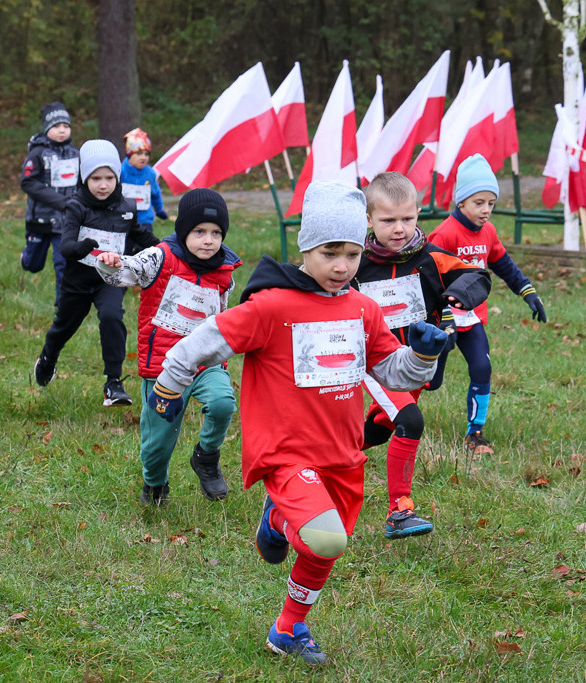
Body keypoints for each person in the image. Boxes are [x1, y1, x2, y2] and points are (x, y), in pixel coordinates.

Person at [150, 181, 447, 664]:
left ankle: (289, 627)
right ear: (306, 248)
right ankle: (280, 514)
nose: (342, 266)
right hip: (285, 453)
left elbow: (392, 372)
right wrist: (169, 384)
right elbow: (204, 341)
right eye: (330, 252)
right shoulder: (273, 307)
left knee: (326, 547)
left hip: (343, 453)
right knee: (325, 536)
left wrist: (423, 354)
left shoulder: (363, 310)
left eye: (352, 254)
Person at [353, 172, 491, 538]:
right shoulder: (356, 263)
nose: (399, 229)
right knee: (410, 422)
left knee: (380, 430)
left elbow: (477, 276)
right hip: (374, 364)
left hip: (416, 364)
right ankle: (400, 510)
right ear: (369, 219)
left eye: (407, 219)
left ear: (417, 215)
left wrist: (459, 294)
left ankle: (316, 456)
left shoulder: (431, 259)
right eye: (387, 220)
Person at [94, 188, 241, 505]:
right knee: (158, 440)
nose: (208, 240)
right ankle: (155, 484)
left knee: (222, 403)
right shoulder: (160, 256)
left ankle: (206, 455)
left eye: (216, 233)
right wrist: (110, 263)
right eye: (199, 232)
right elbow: (127, 271)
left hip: (205, 363)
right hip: (163, 367)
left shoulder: (224, 272)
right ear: (183, 231)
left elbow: (223, 314)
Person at [428, 154, 547, 455]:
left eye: (491, 203)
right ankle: (397, 414)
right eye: (479, 202)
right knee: (432, 382)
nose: (486, 210)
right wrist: (442, 318)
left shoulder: (489, 232)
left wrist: (527, 292)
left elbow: (504, 265)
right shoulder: (445, 233)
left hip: (473, 318)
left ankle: (475, 433)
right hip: (443, 319)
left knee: (482, 368)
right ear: (461, 202)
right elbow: (428, 278)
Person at [33, 139, 159, 406]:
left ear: (118, 177)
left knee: (112, 317)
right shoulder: (76, 206)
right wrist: (84, 247)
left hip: (110, 279)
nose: (103, 185)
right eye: (96, 178)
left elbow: (140, 235)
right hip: (78, 282)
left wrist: (167, 249)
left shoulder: (126, 209)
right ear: (84, 178)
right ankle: (48, 357)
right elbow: (66, 247)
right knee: (63, 327)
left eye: (109, 178)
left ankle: (113, 383)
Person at [20, 102, 79, 306]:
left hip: (66, 221)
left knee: (63, 263)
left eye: (66, 125)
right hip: (40, 219)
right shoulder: (37, 153)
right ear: (47, 130)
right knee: (33, 265)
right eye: (56, 126)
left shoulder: (75, 154)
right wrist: (60, 201)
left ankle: (62, 306)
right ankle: (26, 257)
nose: (62, 130)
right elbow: (27, 182)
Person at [120, 128, 169, 233]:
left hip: (145, 218)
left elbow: (155, 192)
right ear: (129, 155)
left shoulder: (150, 173)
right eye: (138, 154)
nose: (143, 157)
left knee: (145, 245)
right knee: (125, 247)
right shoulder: (121, 171)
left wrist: (159, 209)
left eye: (146, 154)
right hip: (124, 218)